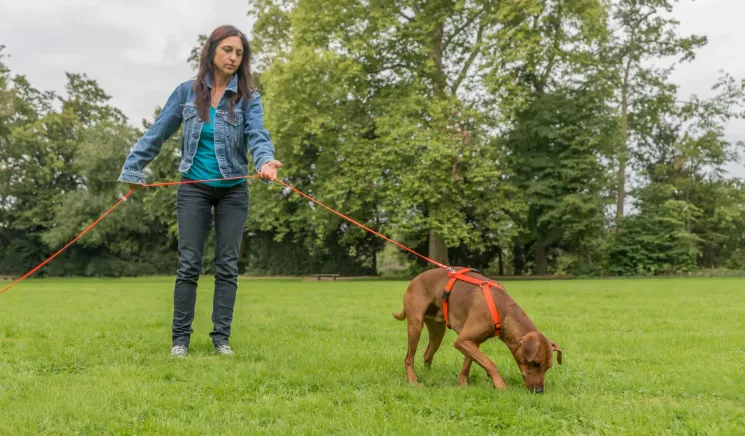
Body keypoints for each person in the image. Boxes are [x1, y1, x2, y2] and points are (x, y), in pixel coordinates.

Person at [117, 25, 283, 357]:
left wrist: (265, 160)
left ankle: (221, 339)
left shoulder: (248, 99)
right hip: (193, 189)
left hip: (233, 189)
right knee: (189, 264)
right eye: (227, 50)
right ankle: (180, 340)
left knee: (227, 264)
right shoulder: (186, 93)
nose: (233, 57)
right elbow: (158, 131)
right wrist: (133, 169)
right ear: (211, 51)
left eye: (239, 53)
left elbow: (258, 135)